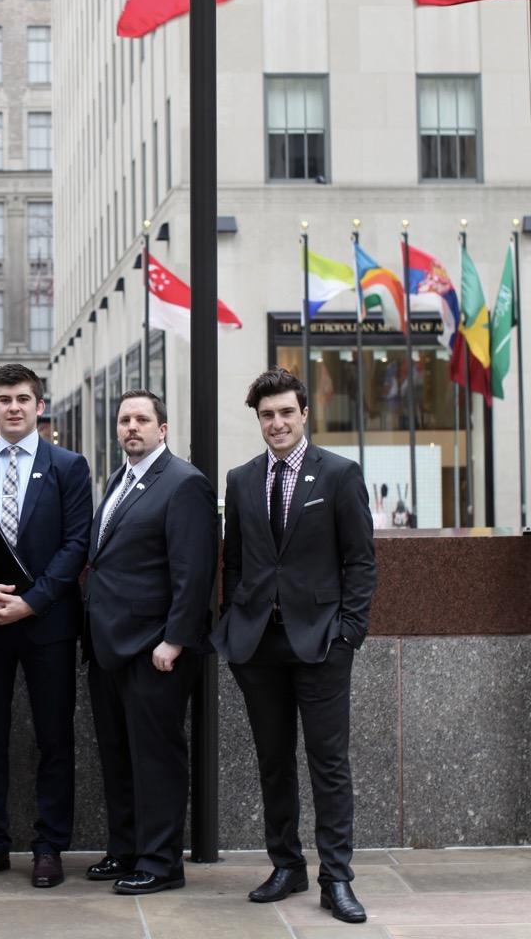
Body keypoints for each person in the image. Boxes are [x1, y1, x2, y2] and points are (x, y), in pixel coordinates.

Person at [210, 368, 377, 926]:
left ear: (304, 413)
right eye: (266, 415)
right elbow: (234, 563)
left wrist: (348, 633)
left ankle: (337, 878)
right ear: (258, 420)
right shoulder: (240, 479)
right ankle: (287, 865)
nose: (277, 423)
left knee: (329, 763)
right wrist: (233, 623)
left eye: (285, 412)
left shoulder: (339, 474)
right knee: (272, 762)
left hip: (322, 643)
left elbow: (360, 560)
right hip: (258, 645)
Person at [0, 363, 93, 888]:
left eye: (23, 399)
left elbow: (77, 543)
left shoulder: (69, 466)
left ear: (39, 406)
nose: (14, 407)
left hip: (47, 625)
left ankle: (49, 846)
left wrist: (31, 603)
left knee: (54, 738)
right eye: (4, 399)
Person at [83, 391, 218, 895]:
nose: (131, 427)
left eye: (142, 419)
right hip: (109, 648)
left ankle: (161, 864)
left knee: (156, 760)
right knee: (119, 756)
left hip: (155, 651)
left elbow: (195, 570)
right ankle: (125, 851)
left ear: (163, 428)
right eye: (124, 420)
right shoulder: (120, 479)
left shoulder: (184, 483)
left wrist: (175, 640)